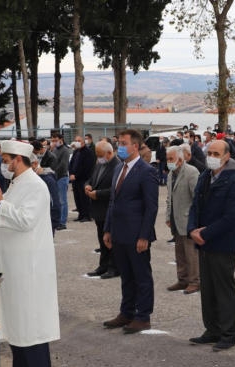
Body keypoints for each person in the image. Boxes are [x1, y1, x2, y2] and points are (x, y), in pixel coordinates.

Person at [0, 140, 60, 367]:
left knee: (31, 325)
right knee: (14, 323)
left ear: (18, 160)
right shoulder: (15, 184)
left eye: (5, 159)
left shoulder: (36, 186)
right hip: (11, 265)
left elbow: (24, 220)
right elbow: (3, 215)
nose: (2, 164)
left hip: (29, 267)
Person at [187, 140, 235, 352]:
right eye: (209, 152)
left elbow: (231, 217)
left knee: (223, 289)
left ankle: (228, 333)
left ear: (227, 156)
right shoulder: (205, 176)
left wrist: (205, 233)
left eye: (215, 153)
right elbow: (194, 206)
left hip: (222, 243)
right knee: (208, 289)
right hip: (203, 242)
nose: (211, 156)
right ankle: (212, 329)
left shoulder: (234, 181)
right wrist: (192, 229)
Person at [102, 129, 159, 334]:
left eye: (124, 143)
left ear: (135, 146)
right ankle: (126, 312)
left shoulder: (146, 171)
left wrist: (144, 235)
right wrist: (108, 229)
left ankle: (143, 316)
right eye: (119, 143)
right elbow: (112, 202)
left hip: (136, 234)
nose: (120, 147)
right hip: (119, 232)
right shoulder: (119, 168)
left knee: (141, 276)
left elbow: (151, 206)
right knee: (126, 275)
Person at [165, 145, 200, 294]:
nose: (168, 162)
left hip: (188, 221)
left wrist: (195, 222)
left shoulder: (191, 172)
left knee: (191, 254)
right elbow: (169, 198)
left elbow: (197, 199)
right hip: (175, 220)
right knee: (179, 253)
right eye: (167, 159)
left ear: (180, 160)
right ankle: (182, 279)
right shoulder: (170, 174)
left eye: (171, 159)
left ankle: (195, 281)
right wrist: (168, 216)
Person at [85, 141, 120, 279]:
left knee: (110, 239)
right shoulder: (99, 164)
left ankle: (114, 267)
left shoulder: (117, 166)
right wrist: (88, 185)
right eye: (97, 155)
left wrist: (98, 194)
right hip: (98, 209)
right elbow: (92, 179)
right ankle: (103, 265)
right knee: (101, 238)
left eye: (100, 155)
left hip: (108, 209)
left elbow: (116, 189)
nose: (98, 158)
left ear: (109, 153)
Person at [69, 136, 95, 222]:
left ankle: (87, 215)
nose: (77, 142)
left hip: (84, 179)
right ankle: (80, 214)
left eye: (79, 141)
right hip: (75, 179)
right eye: (76, 140)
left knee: (84, 198)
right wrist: (71, 173)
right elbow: (71, 163)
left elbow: (87, 167)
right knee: (77, 198)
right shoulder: (76, 151)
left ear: (83, 142)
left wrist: (76, 175)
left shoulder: (88, 152)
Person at [50, 133, 70, 230]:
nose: (54, 142)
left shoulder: (65, 150)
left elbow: (63, 165)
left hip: (61, 177)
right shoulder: (54, 150)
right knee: (56, 201)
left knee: (63, 201)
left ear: (61, 139)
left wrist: (54, 172)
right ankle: (57, 220)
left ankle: (62, 222)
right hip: (55, 177)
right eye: (52, 140)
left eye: (55, 140)